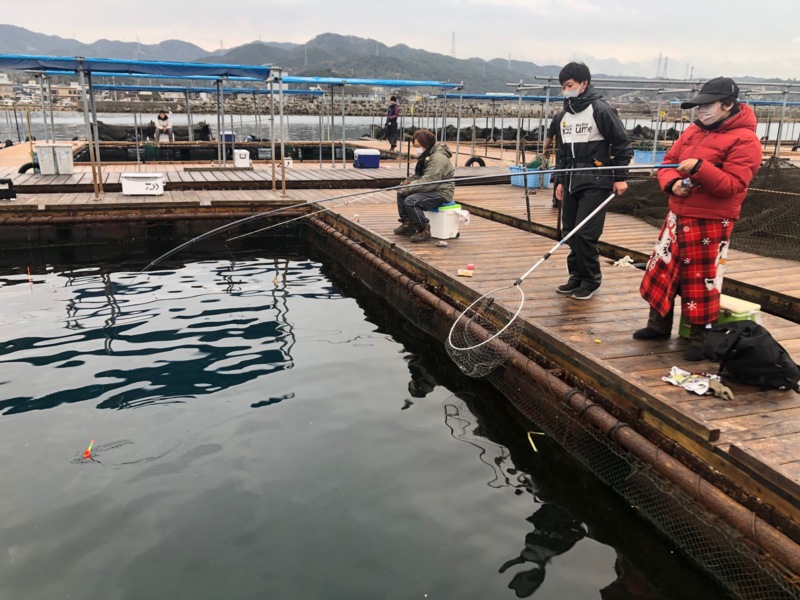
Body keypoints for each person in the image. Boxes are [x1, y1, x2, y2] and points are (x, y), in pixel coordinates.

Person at [633, 77, 762, 361]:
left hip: (711, 221)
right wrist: (672, 184)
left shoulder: (746, 140)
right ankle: (657, 326)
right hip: (677, 213)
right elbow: (668, 162)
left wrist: (699, 168)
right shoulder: (692, 131)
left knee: (701, 280)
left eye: (707, 106)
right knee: (662, 269)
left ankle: (701, 338)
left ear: (727, 105)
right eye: (698, 106)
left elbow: (732, 185)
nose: (700, 112)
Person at [553, 62, 633, 300]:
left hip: (596, 179)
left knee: (586, 233)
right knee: (569, 231)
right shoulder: (562, 116)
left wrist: (620, 177)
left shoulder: (601, 110)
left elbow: (622, 144)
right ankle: (575, 276)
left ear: (584, 84)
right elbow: (562, 154)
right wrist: (559, 180)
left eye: (569, 85)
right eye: (563, 87)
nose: (565, 90)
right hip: (570, 180)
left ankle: (591, 279)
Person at [393, 129, 454, 243]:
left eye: (418, 146)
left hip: (441, 192)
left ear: (426, 144)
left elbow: (430, 181)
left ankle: (423, 229)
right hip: (431, 188)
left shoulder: (438, 158)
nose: (417, 149)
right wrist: (408, 182)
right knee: (401, 192)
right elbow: (419, 176)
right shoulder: (428, 155)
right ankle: (408, 224)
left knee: (412, 201)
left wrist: (410, 187)